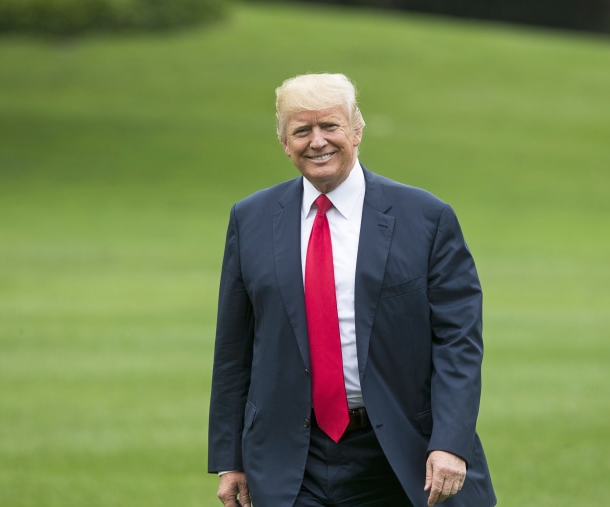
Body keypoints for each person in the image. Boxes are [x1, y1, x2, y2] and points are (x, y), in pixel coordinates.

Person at [208, 73, 496, 507]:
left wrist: (450, 443)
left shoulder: (426, 218)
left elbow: (458, 342)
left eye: (330, 126)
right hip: (290, 460)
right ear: (285, 143)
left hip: (400, 456)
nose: (317, 141)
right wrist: (230, 459)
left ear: (357, 131)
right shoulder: (250, 220)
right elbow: (235, 348)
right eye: (302, 130)